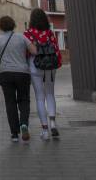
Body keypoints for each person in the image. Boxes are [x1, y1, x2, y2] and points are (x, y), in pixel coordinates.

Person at [0, 15, 37, 142]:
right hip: (22, 73)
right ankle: (23, 124)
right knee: (24, 100)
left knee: (10, 102)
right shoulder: (22, 37)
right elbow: (34, 51)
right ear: (14, 25)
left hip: (5, 73)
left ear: (1, 26)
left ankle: (14, 134)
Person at [25, 8, 62, 140]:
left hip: (35, 67)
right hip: (50, 67)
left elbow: (26, 52)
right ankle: (53, 123)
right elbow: (57, 49)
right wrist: (58, 63)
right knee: (50, 94)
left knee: (40, 97)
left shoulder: (28, 33)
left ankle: (45, 131)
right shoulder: (50, 33)